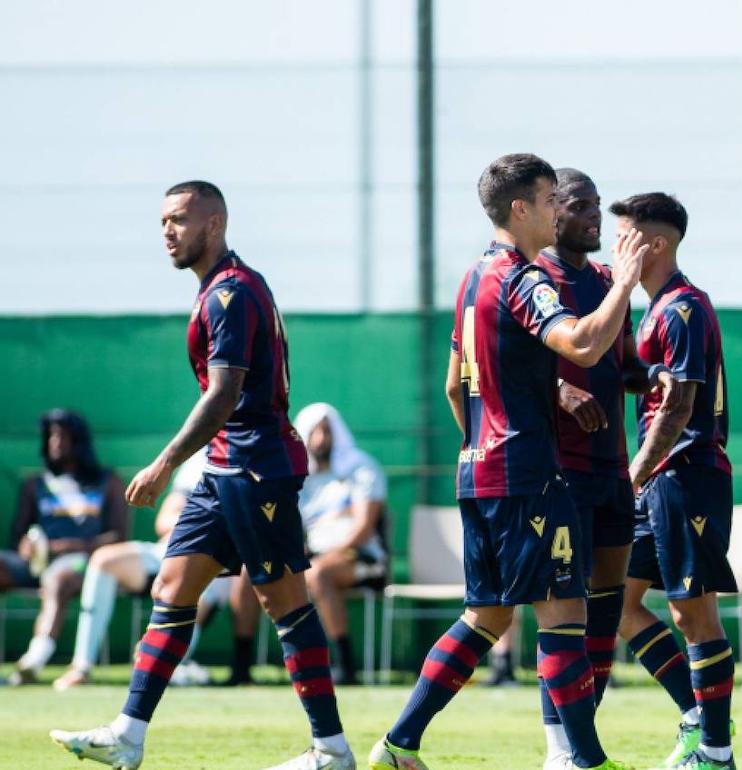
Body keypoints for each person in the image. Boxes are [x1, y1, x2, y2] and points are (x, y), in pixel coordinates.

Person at [50, 180, 354, 770]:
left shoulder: (231, 294)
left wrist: (165, 462)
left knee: (285, 603)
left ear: (214, 225)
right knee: (172, 588)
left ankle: (331, 751)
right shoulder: (219, 288)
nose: (168, 231)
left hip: (255, 468)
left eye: (180, 220)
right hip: (225, 468)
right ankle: (128, 736)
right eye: (163, 220)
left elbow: (224, 393)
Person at [367, 153, 644, 770]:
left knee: (485, 617)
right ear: (521, 209)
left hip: (480, 471)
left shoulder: (473, 278)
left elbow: (451, 386)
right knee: (565, 617)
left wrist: (484, 447)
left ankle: (397, 745)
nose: (556, 210)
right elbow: (582, 342)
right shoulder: (522, 278)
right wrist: (625, 284)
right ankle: (587, 761)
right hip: (526, 473)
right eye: (550, 200)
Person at [535, 169, 674, 768]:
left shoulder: (605, 282)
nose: (596, 217)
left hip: (611, 468)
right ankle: (558, 749)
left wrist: (653, 378)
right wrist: (560, 393)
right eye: (582, 206)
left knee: (606, 610)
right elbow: (486, 376)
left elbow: (619, 364)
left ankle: (580, 741)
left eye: (597, 205)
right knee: (563, 614)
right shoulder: (531, 279)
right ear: (550, 212)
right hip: (556, 472)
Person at [613, 192, 737, 770]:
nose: (616, 246)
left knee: (694, 614)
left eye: (626, 236)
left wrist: (632, 474)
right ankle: (699, 714)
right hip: (657, 481)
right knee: (618, 605)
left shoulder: (683, 307)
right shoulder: (652, 307)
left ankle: (716, 751)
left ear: (655, 244)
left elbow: (681, 406)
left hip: (685, 475)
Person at [52, 451, 217, 690]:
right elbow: (165, 520)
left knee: (153, 655)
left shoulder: (262, 452)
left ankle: (164, 659)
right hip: (172, 550)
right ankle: (81, 666)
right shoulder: (203, 456)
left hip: (223, 563)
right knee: (103, 559)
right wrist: (204, 524)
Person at [2, 410, 130, 685]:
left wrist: (68, 547)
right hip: (35, 563)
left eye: (62, 436)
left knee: (58, 577)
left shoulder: (107, 482)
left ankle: (33, 661)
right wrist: (26, 545)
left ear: (80, 441)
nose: (55, 443)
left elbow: (119, 537)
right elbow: (18, 536)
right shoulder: (34, 485)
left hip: (83, 564)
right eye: (50, 436)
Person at [292, 402, 388, 685]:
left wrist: (326, 555)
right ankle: (244, 667)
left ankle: (344, 666)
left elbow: (363, 527)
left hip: (360, 558)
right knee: (253, 574)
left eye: (327, 431)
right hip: (311, 558)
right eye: (315, 432)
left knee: (319, 573)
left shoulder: (361, 469)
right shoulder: (298, 477)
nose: (322, 439)